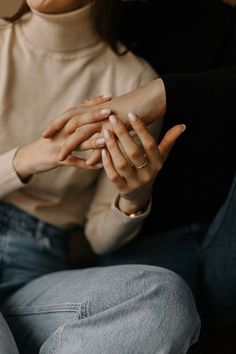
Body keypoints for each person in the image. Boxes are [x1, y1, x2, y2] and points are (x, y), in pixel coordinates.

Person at [0, 0, 201, 353]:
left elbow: (97, 238)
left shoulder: (133, 81)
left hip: (34, 273)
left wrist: (133, 198)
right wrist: (25, 160)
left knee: (163, 300)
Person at [44, 0, 236, 329]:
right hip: (142, 242)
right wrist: (133, 199)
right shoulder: (104, 21)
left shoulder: (225, 22)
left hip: (225, 236)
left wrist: (161, 94)